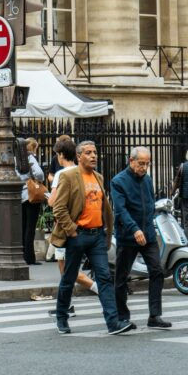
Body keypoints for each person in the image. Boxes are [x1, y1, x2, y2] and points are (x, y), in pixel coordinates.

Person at [51, 140, 132, 336]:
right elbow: (58, 207)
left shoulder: (98, 177)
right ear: (79, 156)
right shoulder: (68, 176)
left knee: (104, 277)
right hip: (78, 235)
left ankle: (113, 323)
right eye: (88, 153)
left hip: (97, 235)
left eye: (95, 152)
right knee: (69, 277)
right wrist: (72, 230)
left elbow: (103, 206)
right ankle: (61, 316)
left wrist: (106, 230)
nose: (94, 156)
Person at [111, 147, 171, 330]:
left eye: (147, 164)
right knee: (121, 277)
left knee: (157, 271)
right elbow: (120, 210)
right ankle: (122, 316)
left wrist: (148, 225)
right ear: (131, 161)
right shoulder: (118, 181)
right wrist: (134, 229)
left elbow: (150, 203)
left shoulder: (147, 179)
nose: (144, 167)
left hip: (148, 234)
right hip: (128, 236)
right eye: (141, 163)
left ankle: (155, 315)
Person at [47, 136, 98, 313]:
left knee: (66, 269)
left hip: (66, 229)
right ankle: (66, 305)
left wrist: (47, 197)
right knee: (67, 269)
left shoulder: (62, 174)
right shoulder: (80, 171)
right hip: (83, 226)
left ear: (61, 155)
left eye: (57, 154)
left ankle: (100, 290)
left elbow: (53, 202)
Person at [17, 137, 45, 266]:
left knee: (22, 226)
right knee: (30, 227)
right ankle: (29, 257)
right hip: (31, 194)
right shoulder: (30, 158)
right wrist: (38, 179)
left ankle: (22, 255)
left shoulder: (15, 159)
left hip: (20, 195)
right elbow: (39, 174)